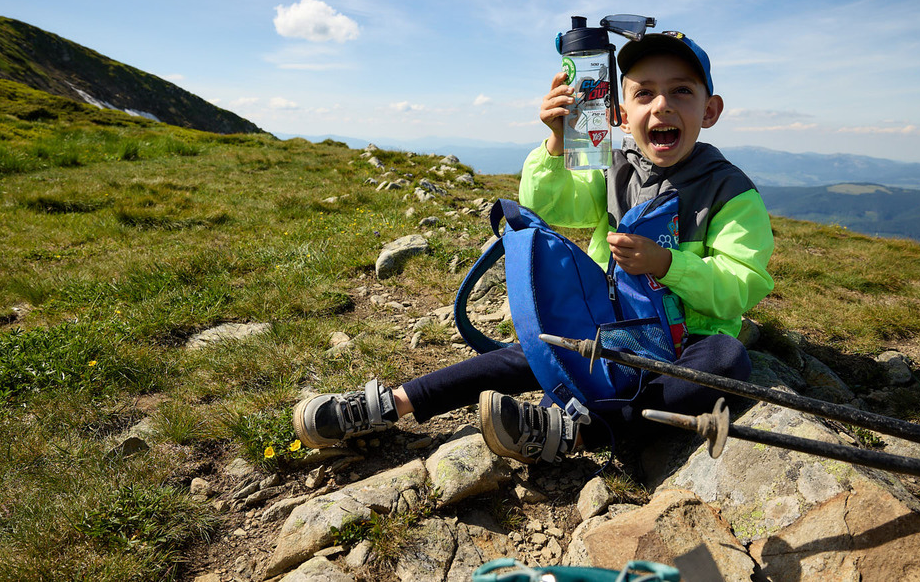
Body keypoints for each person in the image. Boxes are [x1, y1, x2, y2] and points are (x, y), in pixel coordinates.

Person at [293, 30, 774, 465]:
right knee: (537, 348)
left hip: (688, 338)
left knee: (727, 361)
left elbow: (742, 285)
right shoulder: (615, 167)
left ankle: (578, 433)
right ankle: (393, 403)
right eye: (644, 93)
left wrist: (667, 264)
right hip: (613, 322)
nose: (662, 105)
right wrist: (555, 142)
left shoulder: (730, 191)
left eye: (682, 91)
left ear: (709, 111)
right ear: (622, 114)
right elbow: (555, 206)